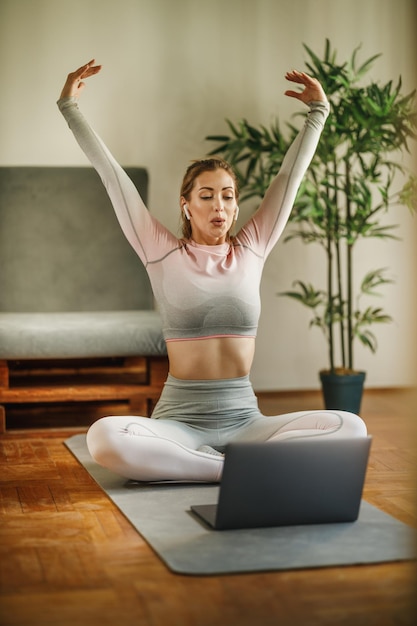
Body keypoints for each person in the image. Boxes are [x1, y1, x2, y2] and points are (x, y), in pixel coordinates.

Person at [58, 60, 367, 483]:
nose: (219, 206)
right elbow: (113, 178)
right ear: (186, 204)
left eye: (227, 196)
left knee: (350, 427)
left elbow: (289, 179)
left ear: (237, 205)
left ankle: (208, 467)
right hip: (179, 423)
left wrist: (319, 112)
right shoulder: (160, 251)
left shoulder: (253, 247)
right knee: (104, 437)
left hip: (246, 421)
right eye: (207, 196)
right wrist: (70, 108)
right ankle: (233, 471)